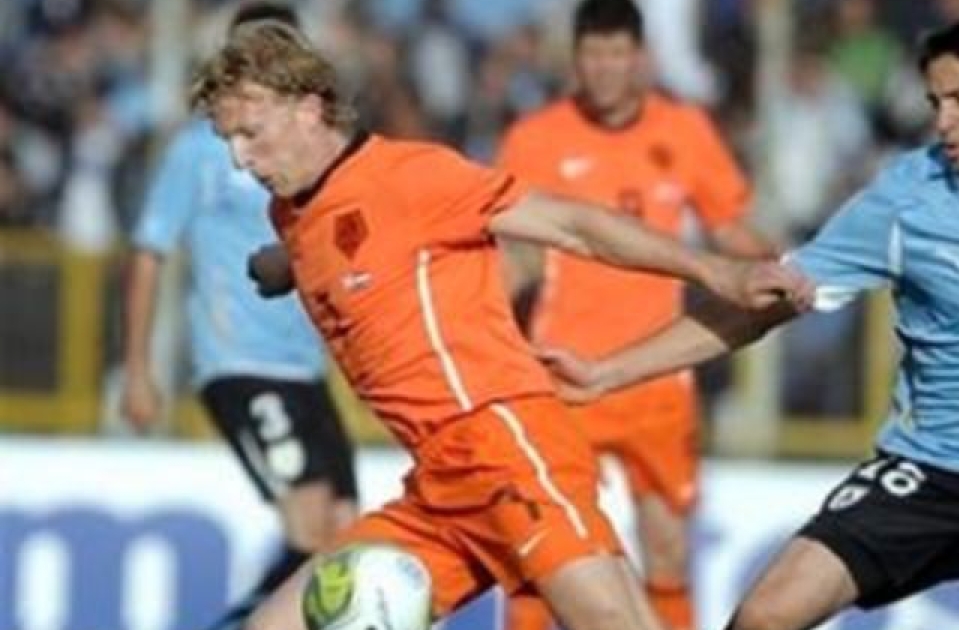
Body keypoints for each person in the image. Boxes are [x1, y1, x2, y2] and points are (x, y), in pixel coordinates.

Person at [536, 15, 959, 630]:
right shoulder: (906, 200)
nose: (943, 121)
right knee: (765, 615)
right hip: (929, 473)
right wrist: (608, 372)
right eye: (935, 102)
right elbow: (762, 305)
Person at [187, 22, 810, 630]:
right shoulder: (291, 211)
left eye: (250, 134)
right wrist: (284, 264)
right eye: (228, 140)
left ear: (307, 108)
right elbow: (339, 239)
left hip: (503, 445)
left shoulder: (412, 176)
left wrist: (715, 272)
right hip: (438, 487)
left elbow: (574, 226)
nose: (241, 159)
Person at [496, 2, 776, 629]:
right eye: (593, 54)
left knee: (668, 549)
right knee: (541, 553)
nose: (604, 69)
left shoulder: (685, 130)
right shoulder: (534, 139)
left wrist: (785, 266)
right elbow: (511, 254)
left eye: (617, 54)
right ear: (575, 60)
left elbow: (730, 227)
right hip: (563, 375)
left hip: (658, 378)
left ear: (641, 58)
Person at [119, 5, 358, 630]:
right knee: (310, 524)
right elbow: (149, 250)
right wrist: (139, 370)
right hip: (240, 364)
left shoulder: (314, 151)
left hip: (305, 368)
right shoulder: (202, 152)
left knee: (344, 535)